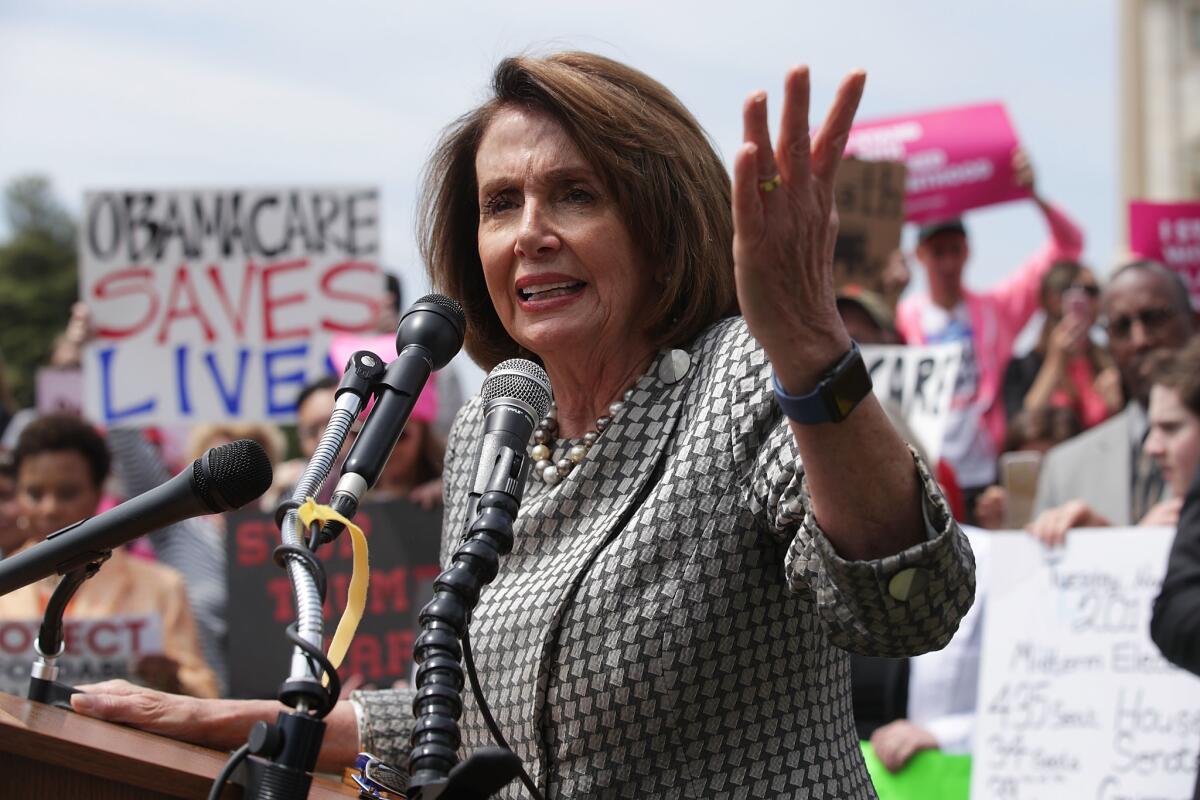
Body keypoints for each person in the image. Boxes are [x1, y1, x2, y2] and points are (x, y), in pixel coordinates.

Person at [69, 52, 974, 796]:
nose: (529, 233)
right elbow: (469, 706)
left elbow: (911, 603)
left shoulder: (743, 374)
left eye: (575, 194)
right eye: (502, 204)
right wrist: (250, 720)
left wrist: (813, 344)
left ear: (657, 222)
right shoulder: (498, 423)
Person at [895, 166, 1084, 514]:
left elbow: (1070, 244)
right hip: (925, 472)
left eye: (956, 250)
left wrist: (1033, 194)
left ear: (968, 251)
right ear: (920, 256)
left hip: (987, 474)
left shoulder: (996, 310)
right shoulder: (902, 318)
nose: (949, 263)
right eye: (938, 253)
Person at [0, 414, 219, 698]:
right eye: (34, 493)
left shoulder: (161, 586)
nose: (49, 508)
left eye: (67, 493)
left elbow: (205, 694)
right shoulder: (4, 587)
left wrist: (170, 679)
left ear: (99, 492)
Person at [1030, 261, 1196, 544]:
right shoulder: (1064, 470)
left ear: (1194, 322)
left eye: (1155, 318)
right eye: (1120, 327)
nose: (1140, 339)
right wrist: (1111, 548)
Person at [1001, 260, 1120, 429]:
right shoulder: (1022, 368)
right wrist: (1056, 362)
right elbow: (1021, 429)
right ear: (1054, 299)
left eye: (1096, 291)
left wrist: (1118, 407)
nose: (1094, 300)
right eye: (1088, 291)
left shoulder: (1110, 361)